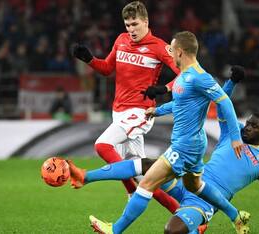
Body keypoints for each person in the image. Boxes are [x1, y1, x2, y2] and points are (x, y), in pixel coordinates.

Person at [67, 69, 259, 234]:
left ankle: (198, 224)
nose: (248, 128)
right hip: (188, 183)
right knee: (145, 165)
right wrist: (231, 82)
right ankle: (85, 176)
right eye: (248, 123)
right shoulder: (233, 135)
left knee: (171, 231)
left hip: (206, 201)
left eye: (255, 127)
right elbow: (220, 104)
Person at [74, 31, 244, 234]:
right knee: (196, 186)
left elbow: (225, 102)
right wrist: (157, 111)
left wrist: (235, 137)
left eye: (171, 50)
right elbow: (180, 104)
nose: (169, 54)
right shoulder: (185, 76)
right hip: (192, 144)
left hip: (185, 146)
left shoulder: (200, 78)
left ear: (180, 52)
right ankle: (236, 216)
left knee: (145, 182)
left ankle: (114, 229)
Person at [70, 1, 180, 213]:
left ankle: (128, 190)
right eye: (127, 25)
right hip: (119, 111)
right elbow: (107, 68)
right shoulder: (121, 40)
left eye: (135, 24)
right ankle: (183, 214)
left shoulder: (159, 47)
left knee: (102, 145)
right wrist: (89, 59)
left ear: (146, 22)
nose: (131, 30)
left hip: (140, 112)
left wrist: (164, 89)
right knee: (143, 176)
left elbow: (186, 73)